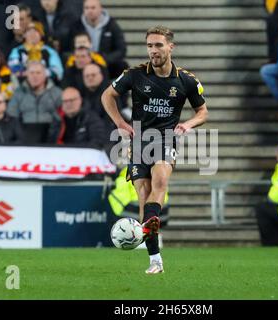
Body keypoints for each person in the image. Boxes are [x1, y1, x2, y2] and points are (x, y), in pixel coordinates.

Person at [101, 26, 208, 274]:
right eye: (149, 45)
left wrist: (188, 124)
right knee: (144, 195)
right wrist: (119, 122)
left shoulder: (186, 80)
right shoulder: (135, 75)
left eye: (158, 45)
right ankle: (155, 260)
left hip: (165, 139)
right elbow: (107, 95)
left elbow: (203, 112)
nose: (153, 50)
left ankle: (151, 226)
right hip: (139, 143)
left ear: (171, 47)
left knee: (159, 182)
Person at [72, 0, 127, 78]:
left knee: (122, 66)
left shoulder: (111, 25)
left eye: (93, 8)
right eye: (86, 8)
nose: (89, 11)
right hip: (82, 62)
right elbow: (68, 48)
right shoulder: (77, 26)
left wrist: (104, 59)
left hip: (106, 63)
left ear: (100, 9)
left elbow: (121, 50)